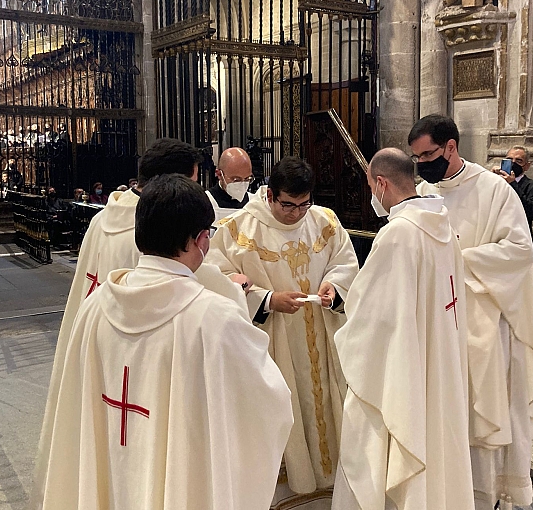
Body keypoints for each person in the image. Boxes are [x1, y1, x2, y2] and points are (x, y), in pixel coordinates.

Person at [37, 174, 293, 510]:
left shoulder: (95, 307)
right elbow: (268, 406)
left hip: (111, 473)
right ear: (200, 240)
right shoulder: (214, 318)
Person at [408, 114, 533, 510]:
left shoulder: (494, 191)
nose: (422, 165)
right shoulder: (422, 192)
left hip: (481, 320)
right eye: (416, 158)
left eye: (428, 155)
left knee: (479, 413)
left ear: (451, 147)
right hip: (434, 321)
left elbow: (518, 252)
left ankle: (480, 494)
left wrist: (456, 260)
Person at [208, 156, 359, 508]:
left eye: (304, 204)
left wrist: (335, 289)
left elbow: (346, 263)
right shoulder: (237, 229)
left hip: (322, 339)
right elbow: (217, 279)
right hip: (272, 342)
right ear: (271, 195)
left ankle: (330, 488)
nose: (296, 214)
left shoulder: (325, 221)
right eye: (288, 205)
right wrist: (266, 299)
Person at [331, 148, 474, 510]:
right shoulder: (443, 224)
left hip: (408, 367)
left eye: (369, 187)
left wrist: (341, 323)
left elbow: (372, 317)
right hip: (441, 360)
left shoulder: (399, 235)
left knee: (388, 438)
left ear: (381, 183)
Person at [491, 146, 533, 237]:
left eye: (519, 161)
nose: (513, 163)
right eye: (509, 160)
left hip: (518, 235)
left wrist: (513, 184)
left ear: (526, 166)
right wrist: (489, 178)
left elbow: (531, 213)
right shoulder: (495, 181)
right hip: (495, 232)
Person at [206, 147, 254, 222]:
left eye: (247, 179)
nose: (242, 184)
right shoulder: (206, 201)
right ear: (219, 174)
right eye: (236, 180)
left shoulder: (254, 203)